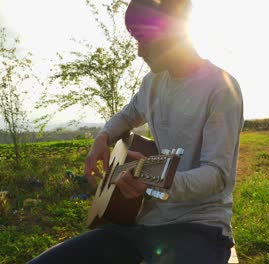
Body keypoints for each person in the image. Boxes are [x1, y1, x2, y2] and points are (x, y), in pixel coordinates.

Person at [29, 0, 243, 263]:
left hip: (198, 227)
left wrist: (153, 176)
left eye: (143, 39)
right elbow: (127, 115)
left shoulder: (220, 88)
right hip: (141, 223)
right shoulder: (152, 83)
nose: (139, 51)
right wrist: (103, 138)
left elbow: (218, 176)